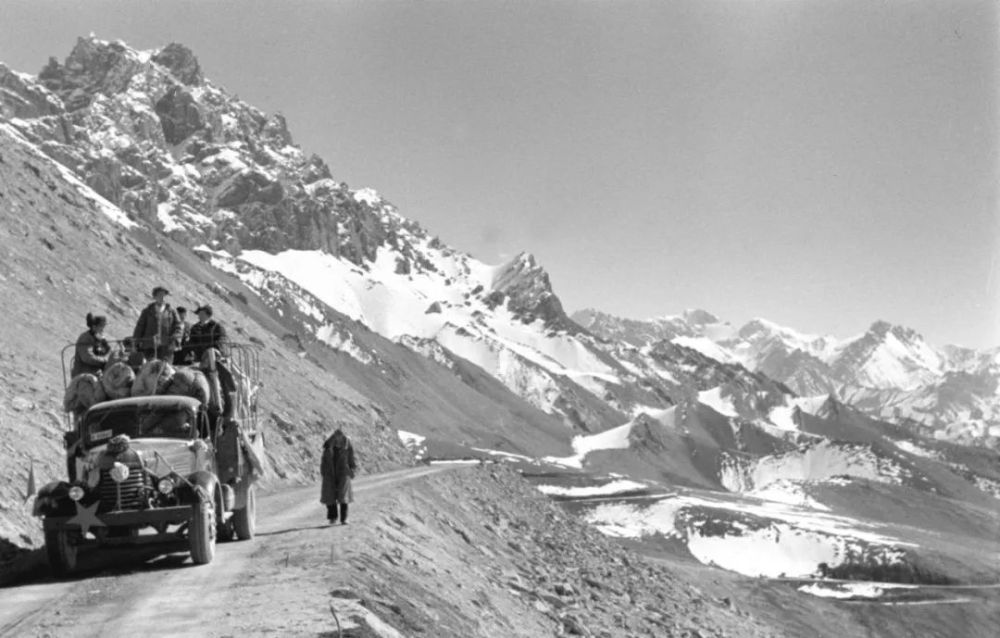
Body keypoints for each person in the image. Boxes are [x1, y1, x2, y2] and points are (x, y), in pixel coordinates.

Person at [133, 286, 182, 361]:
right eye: (160, 295)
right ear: (155, 297)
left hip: (166, 347)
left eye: (164, 295)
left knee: (165, 367)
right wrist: (135, 342)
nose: (162, 297)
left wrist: (175, 339)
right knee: (151, 366)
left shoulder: (171, 311)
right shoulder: (147, 311)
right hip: (149, 346)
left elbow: (178, 327)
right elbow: (140, 327)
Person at [320, 427, 357, 525]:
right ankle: (333, 517)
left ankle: (344, 518)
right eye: (336, 436)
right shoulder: (328, 445)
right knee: (330, 495)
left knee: (343, 496)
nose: (338, 438)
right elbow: (324, 460)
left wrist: (352, 469)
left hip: (343, 472)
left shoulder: (347, 445)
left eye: (340, 435)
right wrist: (323, 472)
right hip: (329, 472)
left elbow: (351, 458)